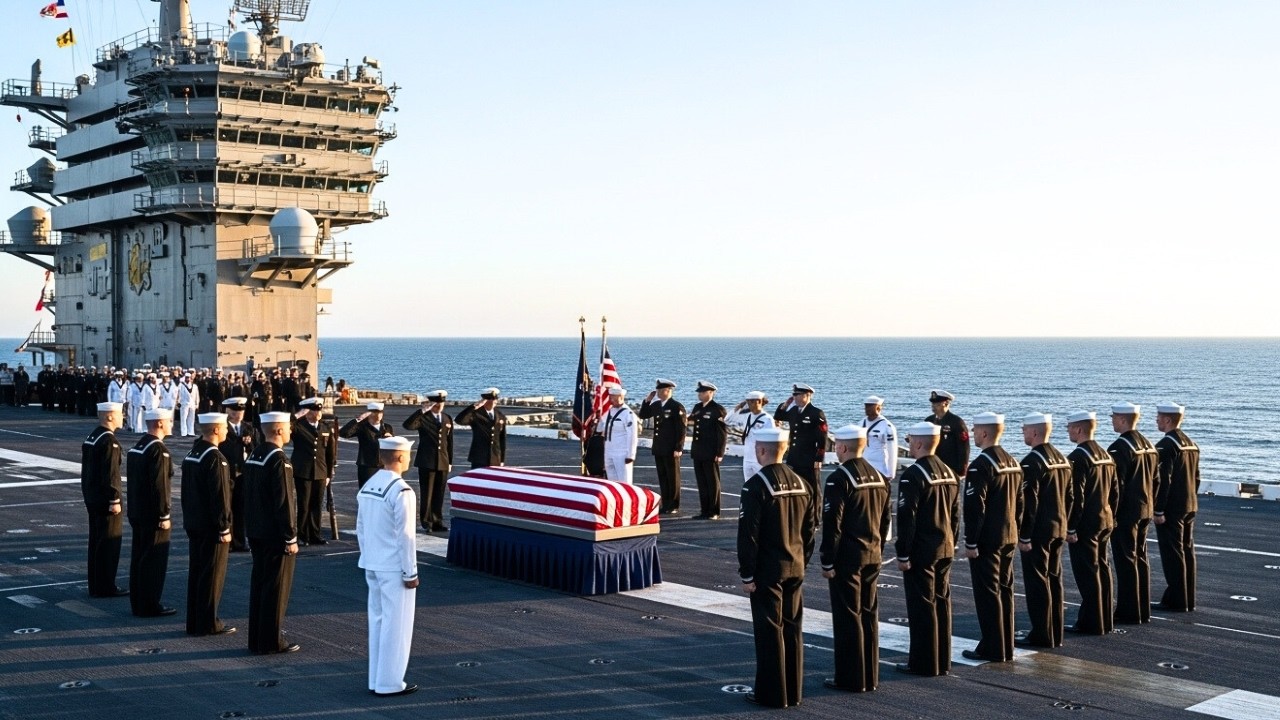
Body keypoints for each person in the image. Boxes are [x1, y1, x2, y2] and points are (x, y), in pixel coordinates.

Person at [737, 427, 815, 708]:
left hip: (768, 570)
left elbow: (749, 535)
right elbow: (809, 531)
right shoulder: (802, 482)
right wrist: (802, 562)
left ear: (761, 451)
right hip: (795, 566)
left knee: (770, 632)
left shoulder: (755, 486)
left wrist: (747, 573)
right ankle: (793, 691)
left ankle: (771, 694)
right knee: (793, 630)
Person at [820, 425, 890, 693]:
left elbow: (832, 524)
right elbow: (885, 520)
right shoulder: (878, 476)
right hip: (873, 554)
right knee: (869, 614)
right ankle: (870, 674)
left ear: (843, 447)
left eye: (837, 445)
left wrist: (828, 560)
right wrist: (878, 548)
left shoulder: (840, 479)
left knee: (848, 617)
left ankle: (850, 678)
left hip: (848, 558)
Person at [357, 436, 421, 697]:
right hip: (394, 568)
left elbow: (361, 529)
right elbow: (406, 536)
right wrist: (411, 572)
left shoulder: (369, 485)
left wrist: (368, 556)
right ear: (400, 457)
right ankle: (390, 683)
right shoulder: (402, 490)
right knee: (397, 626)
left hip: (372, 563)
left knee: (378, 622)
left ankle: (376, 679)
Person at [894, 421, 959, 677]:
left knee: (922, 608)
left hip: (922, 550)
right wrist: (953, 540)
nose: (909, 444)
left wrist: (903, 552)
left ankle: (923, 662)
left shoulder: (913, 475)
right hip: (945, 546)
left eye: (910, 440)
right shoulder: (948, 471)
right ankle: (943, 659)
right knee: (942, 604)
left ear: (919, 443)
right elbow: (955, 514)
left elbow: (907, 518)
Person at [960, 412, 1023, 663]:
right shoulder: (1013, 461)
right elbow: (1020, 502)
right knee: (1005, 591)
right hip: (1009, 535)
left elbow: (976, 508)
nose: (973, 434)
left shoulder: (981, 465)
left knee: (988, 594)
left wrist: (971, 541)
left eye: (975, 430)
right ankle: (1005, 644)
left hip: (988, 540)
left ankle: (992, 647)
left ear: (985, 433)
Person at [244, 411, 301, 655]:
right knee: (276, 590)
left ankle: (256, 638)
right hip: (275, 535)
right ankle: (270, 642)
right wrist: (290, 537)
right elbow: (284, 502)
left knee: (260, 586)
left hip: (257, 531)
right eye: (287, 427)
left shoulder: (255, 454)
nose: (290, 431)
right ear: (278, 430)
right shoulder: (279, 459)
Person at [1016, 413, 1072, 648]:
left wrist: (1025, 534)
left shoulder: (1032, 462)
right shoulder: (1062, 458)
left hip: (1038, 532)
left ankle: (1041, 633)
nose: (1023, 433)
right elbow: (1070, 497)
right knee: (1054, 579)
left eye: (1025, 429)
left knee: (1038, 583)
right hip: (1058, 527)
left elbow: (1030, 502)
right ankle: (1055, 630)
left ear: (1035, 432)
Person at [181, 412, 235, 636]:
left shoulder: (193, 453)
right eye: (223, 427)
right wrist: (224, 527)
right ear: (215, 430)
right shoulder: (215, 457)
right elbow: (220, 496)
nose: (226, 431)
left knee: (197, 573)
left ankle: (195, 620)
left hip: (195, 523)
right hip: (212, 527)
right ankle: (208, 622)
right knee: (212, 576)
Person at [1065, 410, 1118, 635]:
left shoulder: (1078, 458)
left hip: (1086, 524)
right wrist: (1112, 516)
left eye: (1069, 427)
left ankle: (1091, 622)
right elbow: (1115, 491)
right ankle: (1105, 617)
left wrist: (1071, 526)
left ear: (1078, 429)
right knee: (1103, 569)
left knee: (1088, 574)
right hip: (1105, 519)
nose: (1067, 430)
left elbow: (1076, 497)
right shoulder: (1105, 454)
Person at [1107, 402, 1158, 624]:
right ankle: (1142, 607)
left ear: (1122, 419)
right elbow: (1156, 480)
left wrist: (1112, 514)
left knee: (1126, 560)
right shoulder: (1149, 445)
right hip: (1145, 509)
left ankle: (1129, 610)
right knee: (1141, 558)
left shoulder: (1120, 448)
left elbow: (1115, 486)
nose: (1112, 420)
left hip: (1126, 513)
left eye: (1114, 417)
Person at [126, 408, 176, 617]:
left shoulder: (138, 446)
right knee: (153, 561)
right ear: (160, 424)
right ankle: (149, 604)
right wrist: (163, 515)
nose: (171, 424)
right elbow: (160, 486)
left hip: (138, 511)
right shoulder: (158, 450)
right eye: (169, 421)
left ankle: (138, 601)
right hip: (153, 515)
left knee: (139, 557)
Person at [1153, 401, 1200, 612]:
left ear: (1168, 420)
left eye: (1159, 417)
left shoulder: (1166, 445)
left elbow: (1164, 479)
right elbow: (1196, 478)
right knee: (1187, 552)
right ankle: (1187, 597)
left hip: (1172, 509)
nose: (1156, 420)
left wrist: (1159, 509)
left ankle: (1176, 600)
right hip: (1189, 504)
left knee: (1173, 554)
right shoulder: (1191, 443)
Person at [82, 401, 128, 598]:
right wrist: (114, 500)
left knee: (96, 543)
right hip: (105, 501)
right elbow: (111, 474)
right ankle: (105, 585)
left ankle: (96, 583)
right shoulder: (109, 440)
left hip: (93, 497)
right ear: (109, 416)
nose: (122, 417)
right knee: (108, 544)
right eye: (119, 414)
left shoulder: (93, 436)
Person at [403, 390, 455, 531]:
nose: (439, 405)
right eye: (436, 403)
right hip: (427, 461)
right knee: (427, 493)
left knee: (439, 493)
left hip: (442, 461)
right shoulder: (423, 418)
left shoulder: (446, 418)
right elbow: (408, 426)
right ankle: (427, 522)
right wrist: (421, 411)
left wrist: (449, 461)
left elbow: (449, 442)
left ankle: (437, 521)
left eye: (441, 403)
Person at [773, 383, 828, 516]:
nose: (795, 397)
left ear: (807, 395)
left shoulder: (816, 413)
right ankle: (799, 514)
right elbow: (778, 416)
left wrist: (819, 458)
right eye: (794, 395)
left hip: (809, 458)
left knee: (813, 488)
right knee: (795, 486)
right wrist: (786, 404)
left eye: (797, 395)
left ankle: (814, 518)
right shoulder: (793, 411)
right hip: (794, 457)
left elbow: (823, 437)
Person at [292, 398, 338, 545]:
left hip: (320, 471)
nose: (318, 413)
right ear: (307, 411)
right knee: (304, 505)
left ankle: (315, 534)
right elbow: (285, 427)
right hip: (303, 471)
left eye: (319, 409)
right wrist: (298, 415)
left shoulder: (325, 428)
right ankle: (302, 535)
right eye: (314, 410)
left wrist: (329, 474)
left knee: (316, 505)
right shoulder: (299, 427)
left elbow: (330, 453)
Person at [637, 379, 687, 514]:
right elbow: (643, 415)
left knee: (673, 477)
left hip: (671, 448)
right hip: (659, 447)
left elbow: (681, 429)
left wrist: (678, 448)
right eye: (657, 390)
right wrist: (647, 401)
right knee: (663, 476)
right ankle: (666, 503)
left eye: (660, 390)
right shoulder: (657, 405)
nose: (658, 393)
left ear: (668, 391)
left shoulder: (676, 407)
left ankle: (674, 505)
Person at [688, 381, 728, 519]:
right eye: (699, 392)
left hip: (711, 451)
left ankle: (714, 511)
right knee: (702, 482)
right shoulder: (698, 407)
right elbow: (691, 422)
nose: (700, 395)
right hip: (698, 450)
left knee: (712, 482)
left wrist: (720, 452)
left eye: (703, 392)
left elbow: (722, 434)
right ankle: (704, 510)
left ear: (711, 393)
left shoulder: (718, 410)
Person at [220, 397, 255, 552]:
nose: (238, 414)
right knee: (227, 508)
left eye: (241, 411)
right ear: (227, 411)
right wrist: (239, 441)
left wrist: (249, 443)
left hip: (243, 473)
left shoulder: (248, 428)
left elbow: (256, 448)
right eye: (235, 411)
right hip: (228, 472)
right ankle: (229, 540)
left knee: (241, 509)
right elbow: (223, 447)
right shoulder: (223, 428)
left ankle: (240, 541)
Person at [339, 401, 395, 487]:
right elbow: (343, 433)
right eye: (375, 412)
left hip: (384, 466)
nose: (379, 415)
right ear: (369, 413)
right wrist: (358, 419)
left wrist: (391, 440)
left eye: (380, 412)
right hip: (367, 466)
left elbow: (393, 448)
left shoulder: (387, 427)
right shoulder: (362, 427)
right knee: (366, 492)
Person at [455, 388, 509, 469]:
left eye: (495, 399)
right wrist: (473, 407)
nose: (494, 401)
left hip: (495, 458)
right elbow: (459, 420)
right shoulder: (476, 414)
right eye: (491, 399)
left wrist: (501, 460)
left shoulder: (500, 415)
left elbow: (502, 439)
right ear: (484, 401)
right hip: (479, 458)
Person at [596, 386, 638, 484]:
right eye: (611, 397)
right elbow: (600, 427)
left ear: (621, 397)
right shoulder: (608, 412)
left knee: (624, 481)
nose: (611, 400)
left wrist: (631, 455)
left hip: (622, 452)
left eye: (614, 398)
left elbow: (632, 435)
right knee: (612, 481)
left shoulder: (628, 414)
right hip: (609, 450)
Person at [925, 390, 970, 480]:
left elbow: (964, 447)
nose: (933, 406)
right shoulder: (929, 421)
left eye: (937, 404)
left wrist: (962, 469)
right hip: (933, 466)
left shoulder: (956, 422)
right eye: (932, 404)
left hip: (950, 466)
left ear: (946, 403)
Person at [731, 391, 774, 481]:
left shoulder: (767, 419)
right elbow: (727, 420)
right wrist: (738, 407)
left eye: (750, 402)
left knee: (763, 484)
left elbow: (771, 440)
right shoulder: (747, 416)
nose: (748, 405)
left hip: (760, 459)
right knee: (749, 485)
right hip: (748, 457)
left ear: (758, 402)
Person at [178, 372, 201, 437]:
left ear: (191, 379)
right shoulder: (181, 385)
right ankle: (184, 433)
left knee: (191, 419)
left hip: (192, 404)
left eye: (189, 378)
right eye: (186, 378)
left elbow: (197, 396)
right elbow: (178, 394)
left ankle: (191, 432)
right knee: (183, 418)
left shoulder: (195, 386)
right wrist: (178, 402)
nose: (187, 379)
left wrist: (197, 404)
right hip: (184, 404)